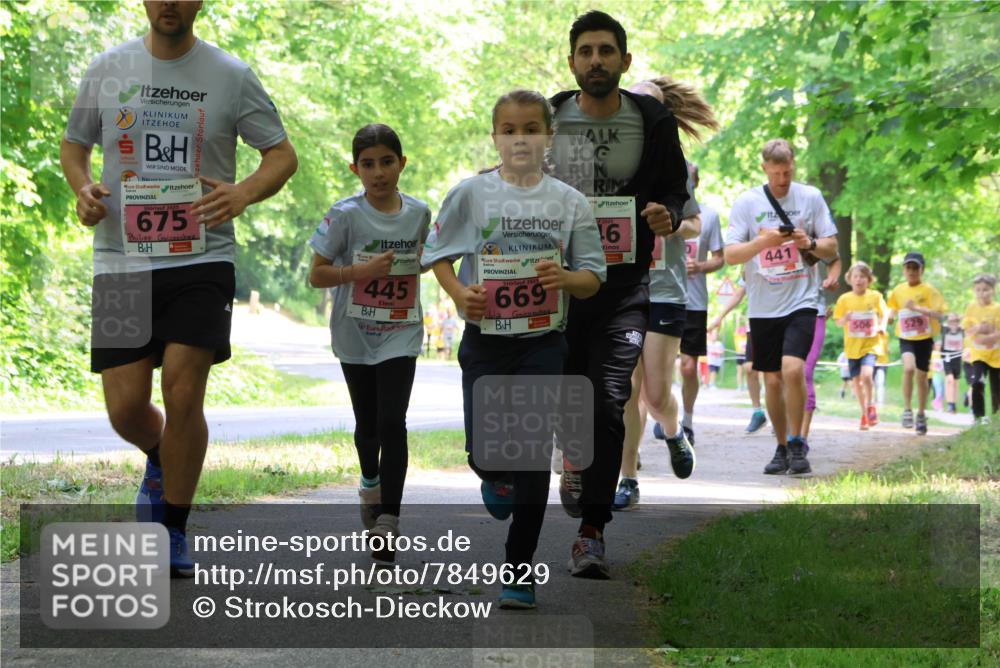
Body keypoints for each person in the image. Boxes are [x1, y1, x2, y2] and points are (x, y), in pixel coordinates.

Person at [60, 0, 297, 576]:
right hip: (120, 258)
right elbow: (75, 146)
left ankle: (172, 528)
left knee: (183, 391)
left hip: (201, 256)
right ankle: (159, 457)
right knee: (124, 409)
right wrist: (83, 189)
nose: (170, 2)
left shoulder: (230, 75)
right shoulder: (108, 68)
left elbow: (282, 155)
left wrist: (242, 193)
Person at [423, 89, 606, 607]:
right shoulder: (471, 194)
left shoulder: (569, 202)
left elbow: (593, 278)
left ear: (549, 137)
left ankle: (519, 571)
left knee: (529, 455)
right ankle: (493, 476)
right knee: (486, 453)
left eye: (531, 129)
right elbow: (438, 256)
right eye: (509, 129)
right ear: (496, 136)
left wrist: (566, 277)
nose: (520, 138)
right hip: (485, 341)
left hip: (543, 342)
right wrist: (460, 293)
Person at [548, 10, 690, 579]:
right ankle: (574, 457)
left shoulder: (652, 120)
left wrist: (665, 215)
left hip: (625, 287)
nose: (596, 61)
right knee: (570, 401)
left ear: (624, 62)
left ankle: (592, 532)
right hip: (558, 288)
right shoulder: (552, 115)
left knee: (609, 401)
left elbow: (675, 194)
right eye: (586, 51)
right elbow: (519, 175)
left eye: (607, 51)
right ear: (572, 62)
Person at [308, 124, 429, 561]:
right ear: (354, 168)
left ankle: (389, 521)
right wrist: (360, 273)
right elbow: (316, 274)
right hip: (355, 331)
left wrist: (420, 264)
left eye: (387, 162)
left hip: (401, 329)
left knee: (393, 422)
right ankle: (370, 481)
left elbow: (426, 260)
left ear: (402, 163)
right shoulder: (344, 215)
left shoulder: (419, 214)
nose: (378, 172)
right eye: (368, 164)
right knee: (368, 426)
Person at [724, 139, 838, 475]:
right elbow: (731, 255)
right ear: (764, 168)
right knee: (771, 380)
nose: (782, 180)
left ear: (793, 165)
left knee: (792, 369)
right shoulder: (747, 202)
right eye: (775, 174)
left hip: (802, 299)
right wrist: (763, 242)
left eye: (787, 173)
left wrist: (810, 243)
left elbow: (832, 247)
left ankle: (798, 441)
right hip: (763, 305)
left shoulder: (810, 197)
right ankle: (782, 446)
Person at [886, 251, 946, 435]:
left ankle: (921, 413)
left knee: (921, 377)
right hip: (906, 338)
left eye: (915, 268)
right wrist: (889, 317)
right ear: (904, 270)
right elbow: (892, 308)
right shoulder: (898, 290)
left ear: (922, 270)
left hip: (925, 339)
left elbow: (940, 314)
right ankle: (907, 409)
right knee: (908, 368)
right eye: (908, 268)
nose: (911, 271)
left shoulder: (929, 290)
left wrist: (918, 308)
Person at [832, 262, 888, 431]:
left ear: (868, 280)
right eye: (855, 276)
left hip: (871, 345)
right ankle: (864, 414)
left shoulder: (875, 296)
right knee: (856, 381)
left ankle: (871, 405)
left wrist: (882, 327)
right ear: (849, 279)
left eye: (862, 277)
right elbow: (838, 322)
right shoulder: (844, 299)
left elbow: (885, 314)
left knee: (867, 375)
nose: (859, 280)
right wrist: (846, 319)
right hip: (852, 348)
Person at [709, 272, 767, 433]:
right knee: (749, 368)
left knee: (774, 372)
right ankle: (758, 412)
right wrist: (720, 316)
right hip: (755, 323)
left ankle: (782, 414)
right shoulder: (750, 265)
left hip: (777, 319)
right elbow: (737, 295)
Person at [800, 255, 841, 442]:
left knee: (805, 373)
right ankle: (789, 432)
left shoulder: (816, 238)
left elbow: (834, 258)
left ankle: (801, 439)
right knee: (785, 375)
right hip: (782, 313)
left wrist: (832, 279)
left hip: (816, 314)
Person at [962, 273, 1000, 424]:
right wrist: (979, 328)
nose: (982, 293)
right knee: (978, 382)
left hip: (997, 355)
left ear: (993, 290)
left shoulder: (997, 308)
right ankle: (979, 417)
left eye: (986, 290)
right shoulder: (971, 308)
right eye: (978, 290)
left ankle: (996, 418)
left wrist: (986, 336)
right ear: (974, 291)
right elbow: (968, 331)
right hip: (978, 354)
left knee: (997, 389)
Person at [941, 312, 965, 413]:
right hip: (947, 357)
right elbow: (939, 319)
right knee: (949, 380)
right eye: (950, 321)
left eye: (955, 321)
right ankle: (950, 404)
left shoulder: (961, 330)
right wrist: (947, 317)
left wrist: (960, 318)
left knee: (955, 381)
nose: (953, 323)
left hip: (957, 357)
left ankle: (953, 404)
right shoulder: (944, 329)